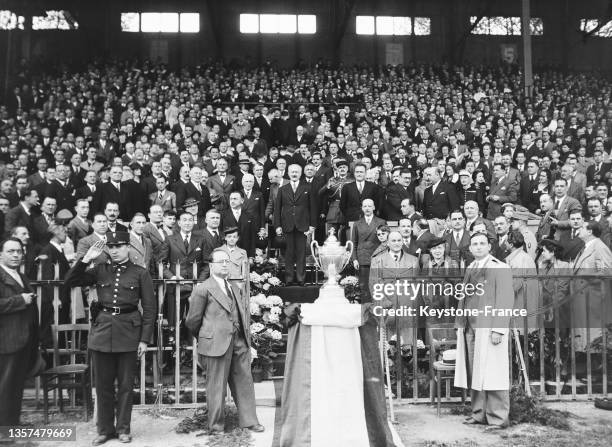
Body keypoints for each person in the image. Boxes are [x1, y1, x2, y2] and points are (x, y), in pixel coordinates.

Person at [64, 232, 156, 445]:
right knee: (103, 385)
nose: (114, 250)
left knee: (125, 386)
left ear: (128, 247)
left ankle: (123, 429)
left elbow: (150, 309)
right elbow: (70, 281)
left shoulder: (140, 273)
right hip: (102, 332)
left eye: (119, 246)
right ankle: (104, 430)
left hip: (129, 333)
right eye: (111, 247)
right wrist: (86, 258)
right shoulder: (99, 270)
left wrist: (144, 340)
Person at [185, 248, 264, 434]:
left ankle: (250, 421)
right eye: (220, 262)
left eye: (227, 261)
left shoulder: (234, 287)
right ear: (211, 266)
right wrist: (207, 336)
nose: (225, 264)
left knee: (244, 382)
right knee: (216, 386)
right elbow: (192, 321)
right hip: (215, 344)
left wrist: (245, 341)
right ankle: (216, 425)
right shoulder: (203, 288)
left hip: (238, 342)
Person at [454, 232, 514, 428]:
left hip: (489, 328)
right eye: (474, 244)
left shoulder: (500, 267)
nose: (478, 247)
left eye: (482, 243)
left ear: (489, 247)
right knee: (475, 371)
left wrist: (498, 329)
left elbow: (505, 300)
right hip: (470, 327)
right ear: (470, 248)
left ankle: (498, 417)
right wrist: (460, 324)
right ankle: (478, 413)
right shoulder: (471, 267)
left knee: (493, 371)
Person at [0, 238, 39, 427]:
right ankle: (5, 431)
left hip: (23, 339)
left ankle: (13, 424)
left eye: (19, 251)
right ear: (1, 254)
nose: (16, 255)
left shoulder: (20, 276)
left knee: (16, 386)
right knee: (6, 387)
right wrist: (21, 300)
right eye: (10, 251)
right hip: (7, 339)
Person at [274, 164, 317, 285]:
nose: (294, 174)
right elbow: (277, 209)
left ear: (300, 173)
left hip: (302, 225)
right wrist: (277, 225)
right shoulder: (283, 189)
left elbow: (313, 207)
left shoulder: (307, 187)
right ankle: (288, 279)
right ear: (287, 173)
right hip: (287, 225)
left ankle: (301, 278)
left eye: (296, 172)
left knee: (301, 253)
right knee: (288, 253)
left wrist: (312, 225)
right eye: (292, 172)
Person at [351, 199, 386, 300]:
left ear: (374, 208)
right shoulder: (357, 224)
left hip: (377, 257)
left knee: (377, 285)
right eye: (365, 206)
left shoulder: (381, 222)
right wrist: (354, 259)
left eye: (369, 206)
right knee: (364, 286)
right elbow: (354, 243)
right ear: (362, 208)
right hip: (362, 258)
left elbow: (385, 241)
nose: (367, 208)